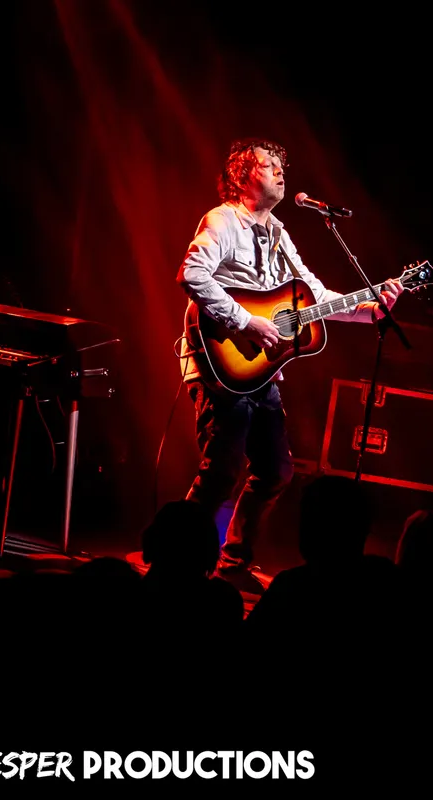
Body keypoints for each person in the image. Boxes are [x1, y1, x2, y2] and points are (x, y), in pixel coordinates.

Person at [175, 137, 405, 592]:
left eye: (282, 164)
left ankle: (233, 561)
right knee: (221, 470)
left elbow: (315, 297)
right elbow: (192, 274)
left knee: (275, 471)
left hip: (260, 372)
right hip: (219, 362)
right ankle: (178, 560)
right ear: (242, 177)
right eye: (269, 164)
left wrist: (371, 308)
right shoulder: (222, 220)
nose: (281, 171)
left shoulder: (280, 235)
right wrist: (246, 322)